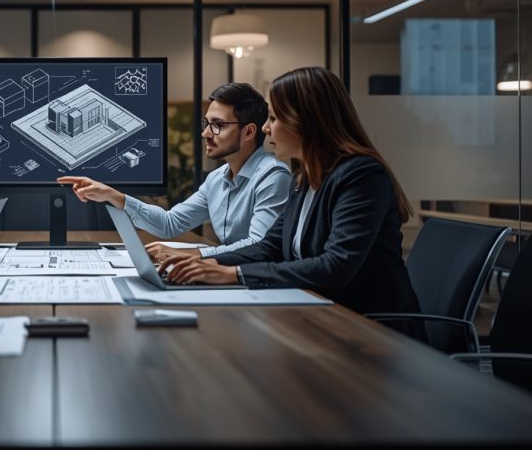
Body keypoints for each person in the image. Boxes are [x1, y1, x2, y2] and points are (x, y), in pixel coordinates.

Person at [162, 66, 422, 317]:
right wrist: (206, 262)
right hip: (318, 311)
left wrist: (234, 274)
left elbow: (336, 265)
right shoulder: (308, 179)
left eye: (274, 119)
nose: (265, 128)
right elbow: (268, 247)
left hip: (369, 328)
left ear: (306, 122)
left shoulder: (361, 176)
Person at [58, 83, 291, 263]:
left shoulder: (273, 176)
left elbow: (258, 246)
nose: (206, 134)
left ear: (249, 132)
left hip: (259, 283)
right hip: (229, 275)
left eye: (217, 125)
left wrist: (192, 255)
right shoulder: (217, 179)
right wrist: (111, 195)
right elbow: (170, 223)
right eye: (206, 123)